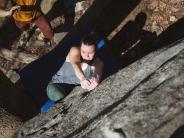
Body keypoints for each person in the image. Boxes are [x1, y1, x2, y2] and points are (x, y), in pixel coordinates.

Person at [46, 33, 104, 102]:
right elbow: (76, 64)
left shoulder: (98, 63)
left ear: (96, 50)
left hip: (72, 92)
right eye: (83, 51)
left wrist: (96, 79)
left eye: (90, 53)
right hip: (56, 85)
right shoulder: (75, 50)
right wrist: (83, 78)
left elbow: (97, 72)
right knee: (60, 95)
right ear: (80, 47)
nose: (86, 55)